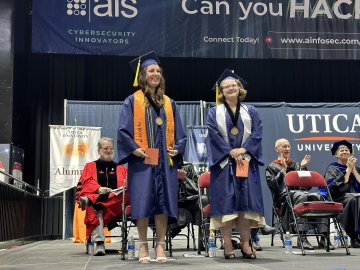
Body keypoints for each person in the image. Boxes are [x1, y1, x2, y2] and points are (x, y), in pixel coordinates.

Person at [117, 51, 187, 263]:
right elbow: (123, 130)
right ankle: (143, 246)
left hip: (165, 161)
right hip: (142, 160)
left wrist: (177, 148)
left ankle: (160, 246)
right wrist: (134, 149)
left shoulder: (169, 102)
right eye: (151, 70)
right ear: (143, 75)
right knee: (143, 201)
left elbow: (181, 134)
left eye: (158, 70)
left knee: (164, 201)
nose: (155, 74)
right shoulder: (132, 101)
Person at [206, 69, 266, 260]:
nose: (231, 88)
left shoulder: (251, 111)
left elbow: (257, 133)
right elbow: (213, 135)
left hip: (246, 162)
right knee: (227, 206)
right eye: (226, 86)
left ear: (239, 88)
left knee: (245, 206)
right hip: (224, 164)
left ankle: (246, 244)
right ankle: (227, 244)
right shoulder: (214, 112)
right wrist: (229, 150)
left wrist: (244, 149)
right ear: (221, 92)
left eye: (234, 85)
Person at [265, 138, 333, 250]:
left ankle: (324, 237)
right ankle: (302, 237)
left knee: (319, 197)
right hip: (283, 199)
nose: (287, 149)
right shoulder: (272, 167)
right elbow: (274, 186)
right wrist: (282, 171)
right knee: (302, 196)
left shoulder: (296, 165)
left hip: (300, 195)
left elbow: (307, 186)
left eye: (288, 146)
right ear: (277, 149)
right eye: (284, 146)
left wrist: (302, 167)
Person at [75, 137, 129, 256]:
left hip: (117, 205)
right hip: (101, 205)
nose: (109, 150)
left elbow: (126, 186)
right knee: (96, 206)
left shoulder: (121, 168)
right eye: (105, 148)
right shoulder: (90, 166)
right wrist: (98, 189)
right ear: (99, 150)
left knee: (125, 193)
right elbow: (86, 183)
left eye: (111, 148)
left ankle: (90, 199)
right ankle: (100, 243)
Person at [323, 140, 360, 248]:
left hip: (355, 197)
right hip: (339, 198)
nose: (344, 152)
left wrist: (353, 170)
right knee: (352, 199)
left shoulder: (356, 168)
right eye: (341, 150)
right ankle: (354, 236)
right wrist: (347, 170)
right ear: (336, 155)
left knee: (355, 198)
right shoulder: (332, 168)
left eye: (347, 150)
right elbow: (337, 189)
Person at [171, 162, 209, 248]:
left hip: (189, 201)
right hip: (172, 202)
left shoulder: (188, 167)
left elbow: (196, 190)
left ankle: (203, 241)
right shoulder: (163, 167)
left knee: (204, 200)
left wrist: (184, 179)